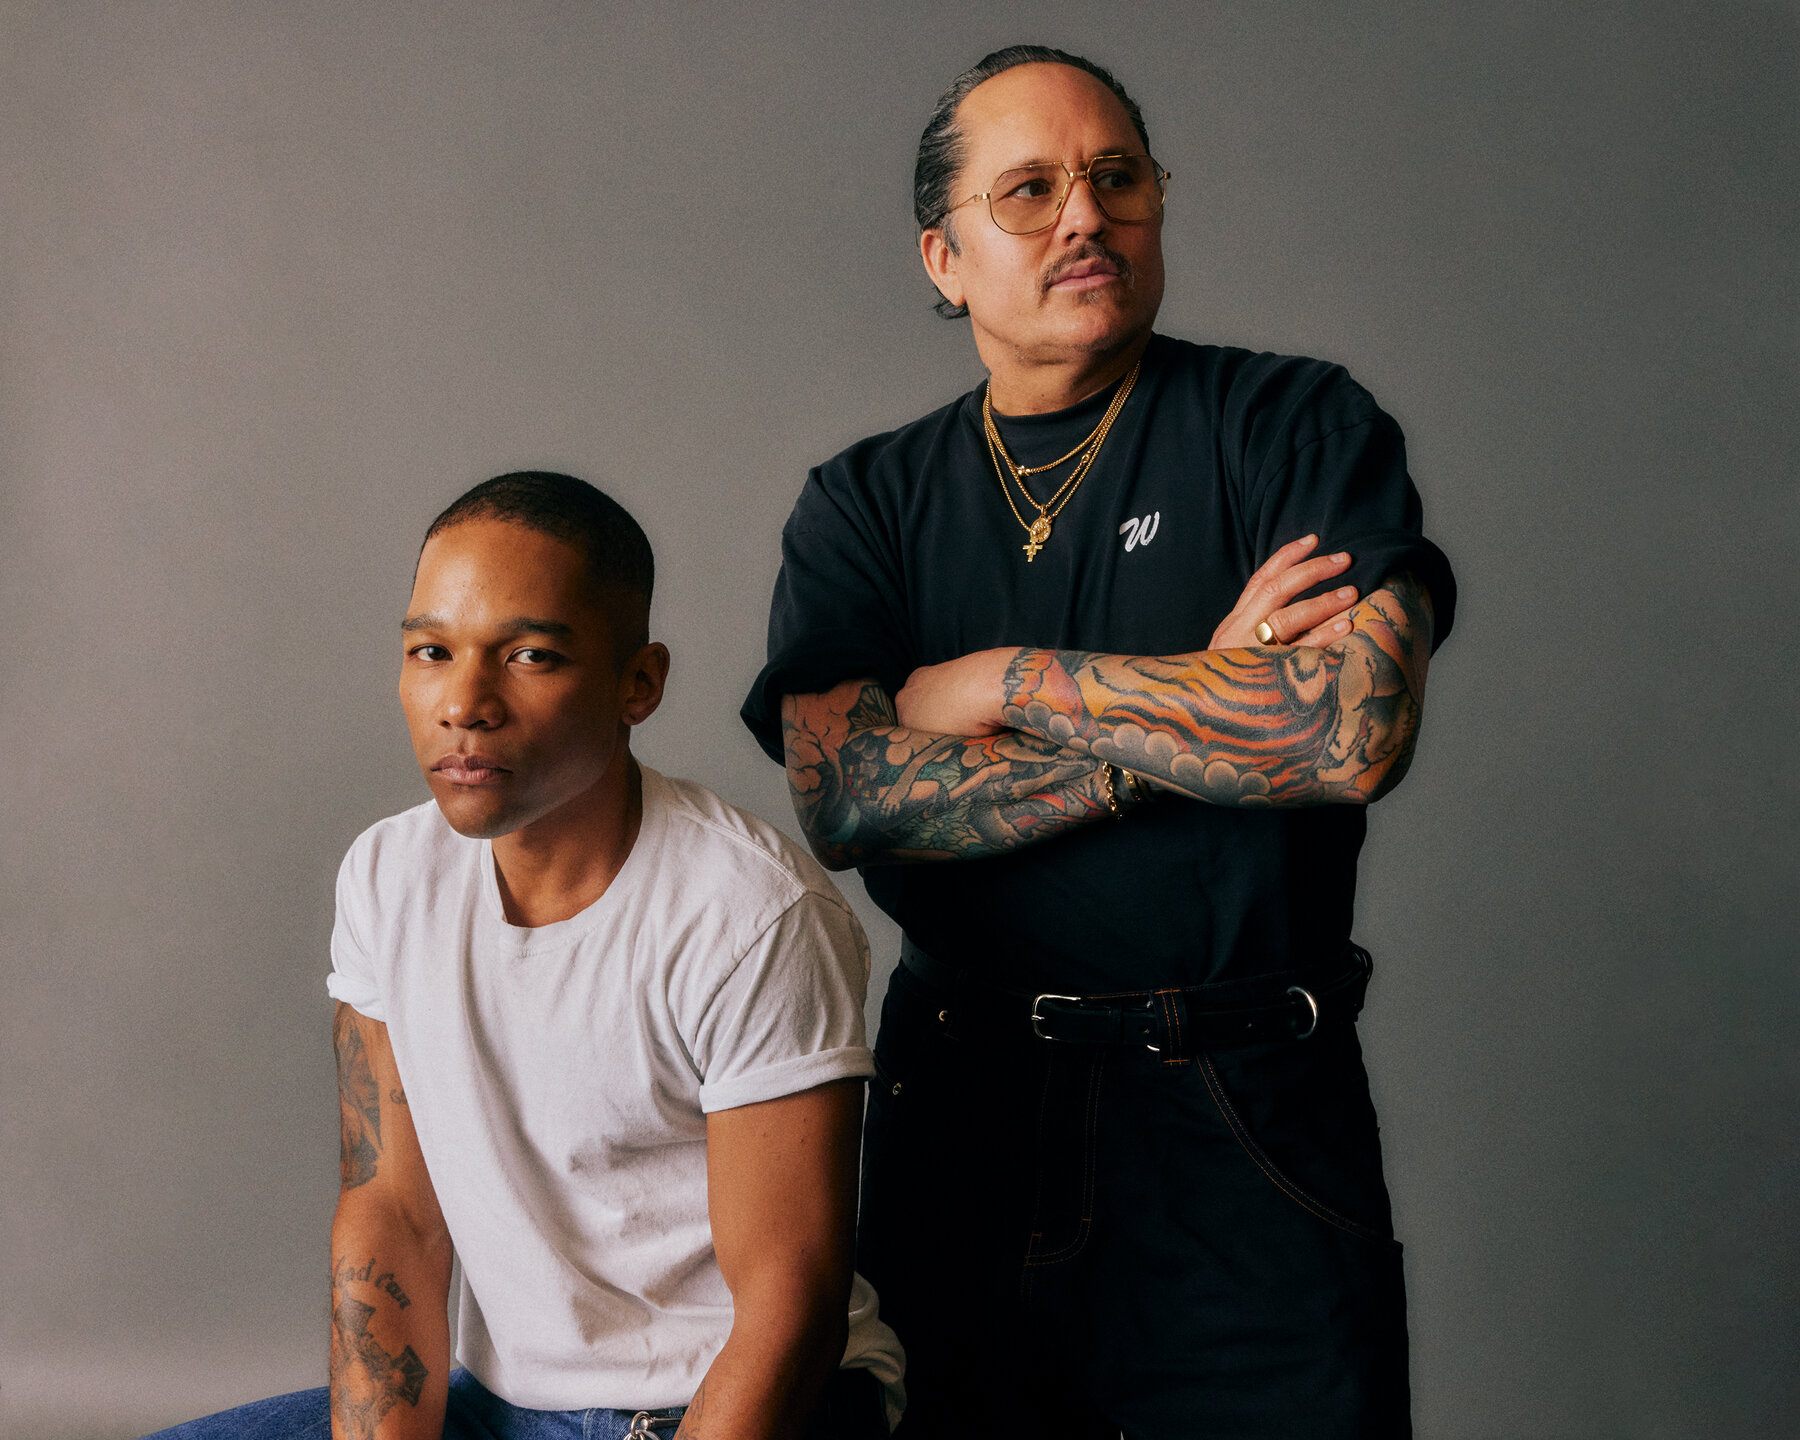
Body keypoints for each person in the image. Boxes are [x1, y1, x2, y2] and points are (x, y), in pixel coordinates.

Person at [740, 46, 1457, 1440]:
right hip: (965, 1104)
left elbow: (1346, 728)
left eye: (1117, 177)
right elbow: (850, 796)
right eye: (1032, 191)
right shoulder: (866, 504)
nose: (1087, 216)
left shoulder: (1293, 428)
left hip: (1244, 1108)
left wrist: (1002, 678)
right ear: (943, 259)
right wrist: (1197, 702)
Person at [151, 473, 902, 1440]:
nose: (465, 703)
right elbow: (392, 1214)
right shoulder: (387, 874)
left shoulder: (750, 913)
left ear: (639, 683)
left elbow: (787, 1309)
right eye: (431, 652)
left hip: (724, 1402)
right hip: (504, 1409)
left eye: (532, 656)